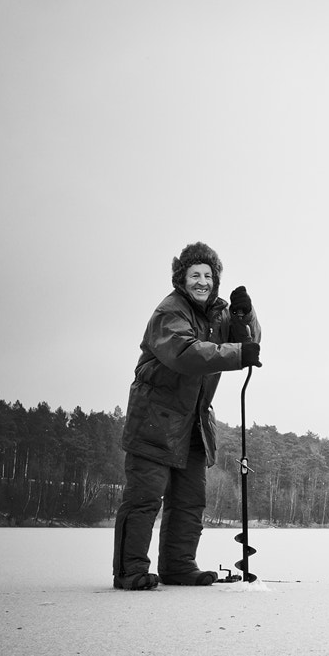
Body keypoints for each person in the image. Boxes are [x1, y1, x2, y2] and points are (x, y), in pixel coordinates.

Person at [112, 241, 261, 590]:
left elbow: (250, 342)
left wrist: (246, 316)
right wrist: (238, 353)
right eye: (195, 274)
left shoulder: (216, 315)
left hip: (193, 422)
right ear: (182, 278)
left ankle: (178, 566)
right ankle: (129, 570)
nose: (202, 282)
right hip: (155, 419)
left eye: (208, 275)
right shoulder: (170, 312)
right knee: (144, 498)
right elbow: (186, 354)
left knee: (190, 499)